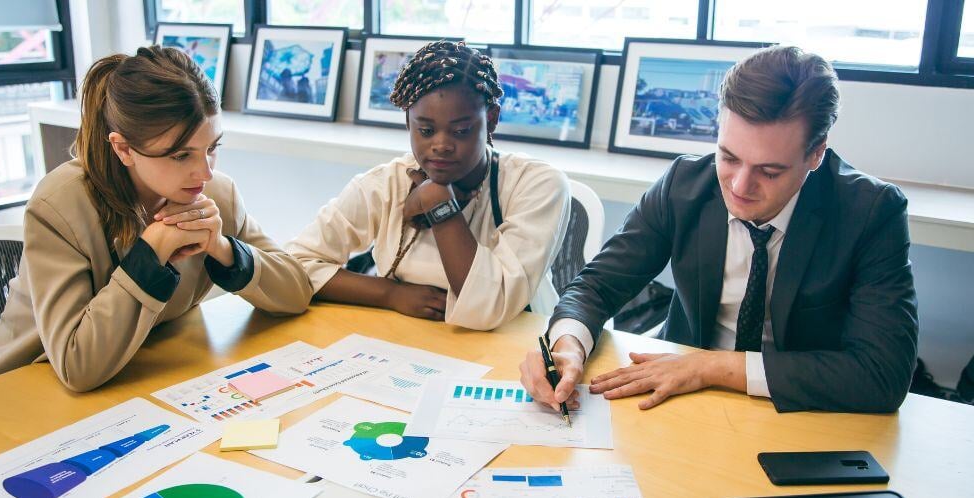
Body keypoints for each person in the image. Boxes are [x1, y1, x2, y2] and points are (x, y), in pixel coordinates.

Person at [520, 45, 918, 413]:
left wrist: (711, 367)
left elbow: (881, 375)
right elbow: (597, 286)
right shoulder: (684, 184)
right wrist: (567, 344)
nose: (740, 187)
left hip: (797, 407)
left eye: (770, 171)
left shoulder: (870, 212)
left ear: (816, 153)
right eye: (728, 157)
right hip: (683, 403)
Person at [0, 46, 313, 391]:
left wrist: (223, 248)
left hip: (130, 378)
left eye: (211, 148)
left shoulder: (216, 195)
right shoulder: (59, 206)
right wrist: (151, 254)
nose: (205, 172)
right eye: (181, 155)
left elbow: (297, 291)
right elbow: (77, 365)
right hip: (14, 389)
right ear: (123, 149)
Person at [287, 40, 570, 330]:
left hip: (513, 345)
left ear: (492, 119)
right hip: (410, 343)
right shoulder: (385, 184)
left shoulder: (537, 184)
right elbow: (294, 266)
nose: (441, 145)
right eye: (426, 130)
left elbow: (489, 307)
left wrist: (438, 203)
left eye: (461, 131)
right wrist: (390, 294)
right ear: (408, 121)